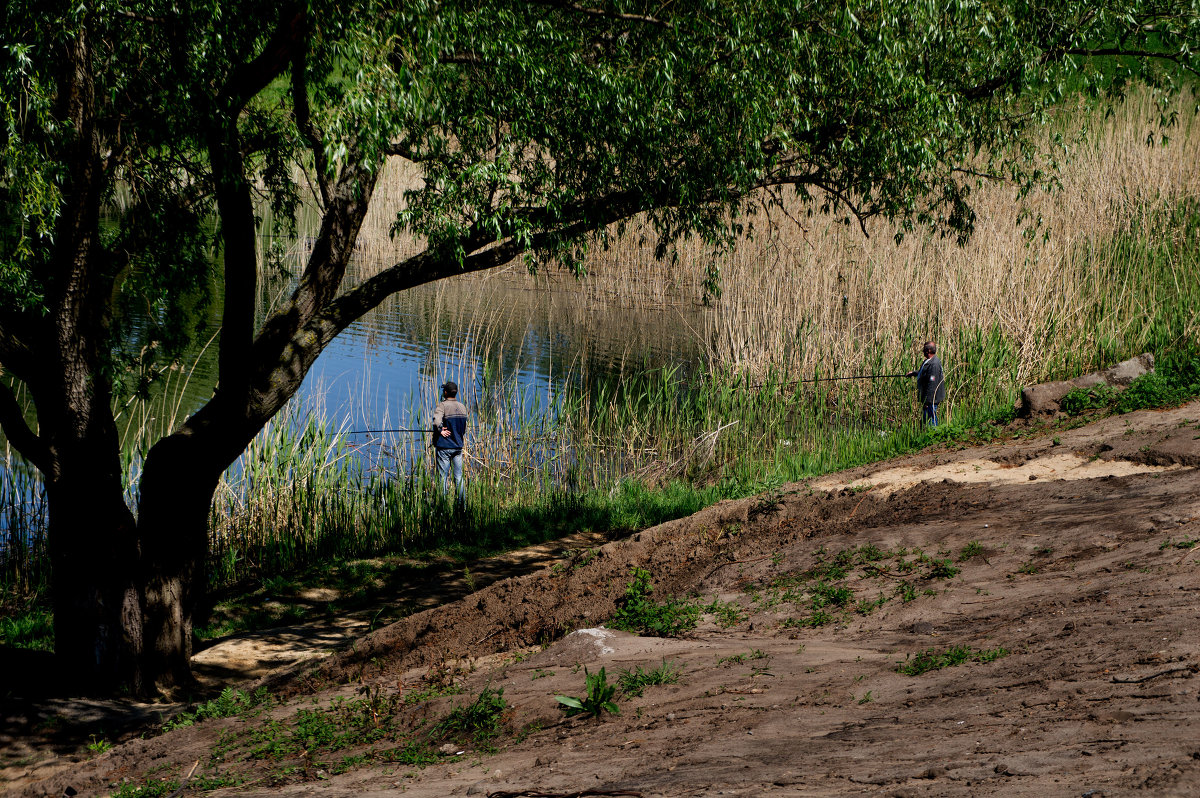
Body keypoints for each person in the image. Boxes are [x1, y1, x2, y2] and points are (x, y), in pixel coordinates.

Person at [432, 381, 468, 505]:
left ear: (446, 392)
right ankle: (461, 504)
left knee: (443, 477)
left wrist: (441, 430)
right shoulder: (462, 407)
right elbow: (463, 429)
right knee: (458, 477)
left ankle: (442, 505)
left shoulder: (442, 406)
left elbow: (436, 422)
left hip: (444, 447)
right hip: (458, 447)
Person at [906, 341, 946, 426]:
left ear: (928, 351)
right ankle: (930, 435)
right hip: (929, 398)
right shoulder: (929, 361)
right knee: (926, 418)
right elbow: (926, 373)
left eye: (924, 350)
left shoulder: (934, 364)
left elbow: (932, 384)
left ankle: (934, 436)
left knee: (931, 418)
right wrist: (914, 373)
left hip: (932, 399)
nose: (922, 351)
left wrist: (927, 402)